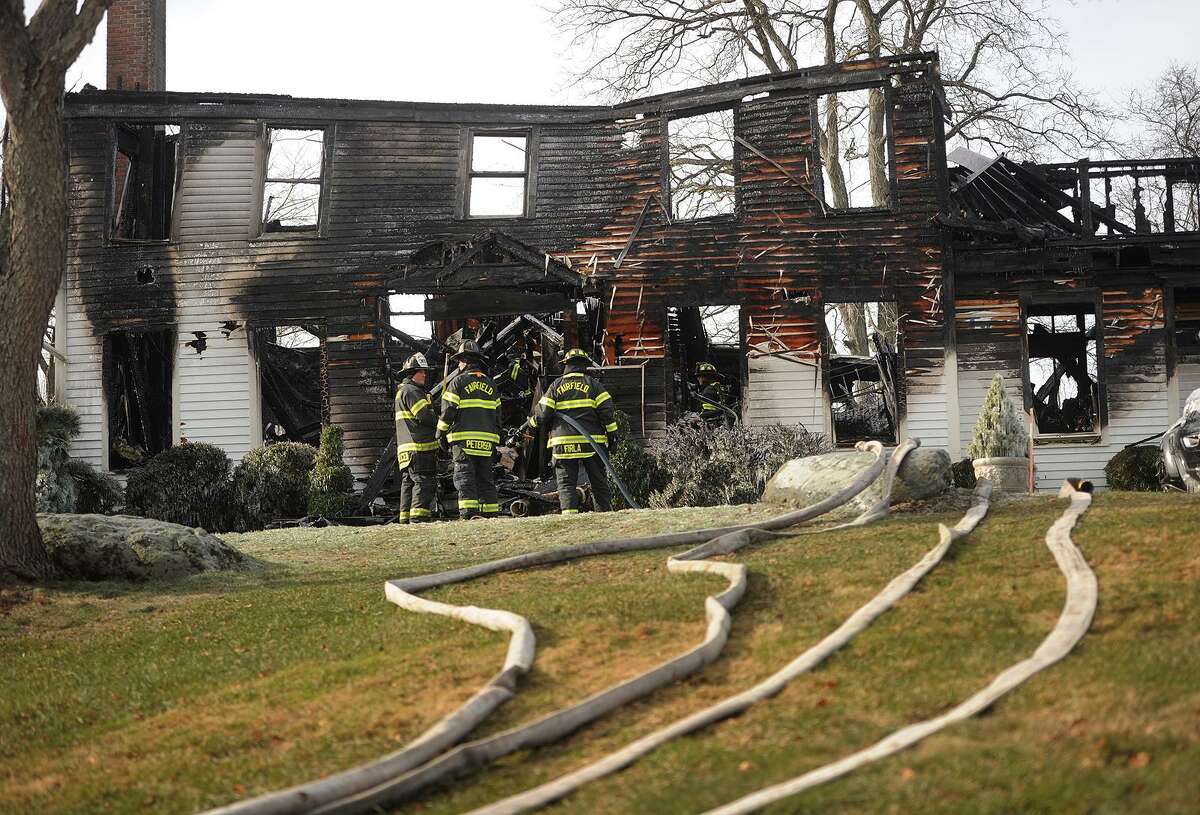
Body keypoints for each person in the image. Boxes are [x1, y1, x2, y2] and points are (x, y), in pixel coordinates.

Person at [529, 348, 618, 514]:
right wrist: (612, 436)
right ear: (584, 365)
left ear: (566, 365)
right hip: (592, 444)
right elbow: (607, 413)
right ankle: (605, 514)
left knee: (566, 484)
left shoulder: (556, 386)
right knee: (599, 482)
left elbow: (542, 414)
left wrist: (531, 423)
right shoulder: (595, 386)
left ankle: (570, 516)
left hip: (563, 444)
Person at [437, 340, 501, 519]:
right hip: (486, 443)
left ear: (464, 362)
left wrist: (440, 434)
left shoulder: (457, 383)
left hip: (464, 443)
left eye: (459, 361)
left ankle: (468, 514)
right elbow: (498, 416)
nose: (458, 365)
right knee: (486, 480)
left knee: (465, 478)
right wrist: (496, 439)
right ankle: (490, 514)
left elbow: (448, 411)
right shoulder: (491, 384)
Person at [394, 353, 439, 524]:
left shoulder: (402, 392)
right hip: (419, 448)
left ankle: (405, 519)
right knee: (423, 482)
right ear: (412, 373)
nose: (425, 375)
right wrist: (438, 416)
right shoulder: (412, 391)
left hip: (406, 450)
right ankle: (418, 519)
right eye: (422, 372)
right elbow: (425, 417)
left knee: (408, 484)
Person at [693, 361, 731, 426]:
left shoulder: (709, 390)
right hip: (723, 421)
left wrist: (698, 417)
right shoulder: (718, 387)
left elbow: (709, 411)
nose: (698, 379)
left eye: (699, 376)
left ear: (706, 377)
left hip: (713, 423)